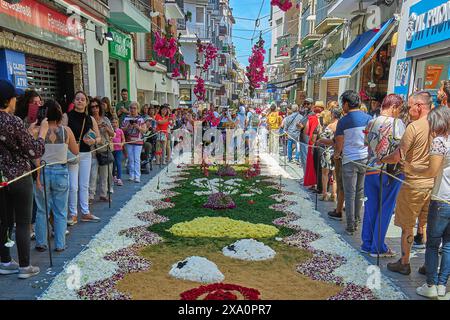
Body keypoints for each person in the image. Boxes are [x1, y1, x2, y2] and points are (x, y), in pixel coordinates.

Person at [402, 107, 450, 299]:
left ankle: (431, 284)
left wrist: (412, 169)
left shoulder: (440, 141)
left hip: (441, 198)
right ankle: (442, 286)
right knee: (448, 245)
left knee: (432, 244)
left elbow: (432, 171)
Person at [383, 92, 433, 275]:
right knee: (427, 224)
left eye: (411, 105)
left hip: (413, 183)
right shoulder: (440, 126)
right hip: (432, 184)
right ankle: (429, 262)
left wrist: (381, 160)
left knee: (407, 225)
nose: (408, 109)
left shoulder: (414, 127)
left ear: (419, 106)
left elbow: (398, 156)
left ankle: (404, 262)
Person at [0, 79, 47, 279]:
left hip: (1, 179)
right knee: (22, 221)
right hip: (19, 177)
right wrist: (42, 134)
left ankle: (5, 261)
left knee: (4, 222)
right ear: (8, 100)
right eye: (14, 98)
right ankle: (25, 266)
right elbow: (34, 150)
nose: (16, 101)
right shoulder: (14, 121)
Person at [361, 94, 406, 258]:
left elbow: (366, 143)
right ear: (394, 107)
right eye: (400, 109)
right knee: (385, 208)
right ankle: (377, 246)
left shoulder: (372, 121)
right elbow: (400, 150)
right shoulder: (397, 123)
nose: (400, 113)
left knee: (371, 207)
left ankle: (367, 243)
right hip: (389, 171)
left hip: (371, 168)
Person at [34, 100, 78, 253]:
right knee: (60, 211)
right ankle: (60, 244)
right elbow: (76, 151)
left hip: (43, 171)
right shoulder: (66, 131)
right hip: (60, 171)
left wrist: (37, 176)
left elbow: (35, 154)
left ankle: (41, 242)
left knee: (41, 209)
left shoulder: (39, 131)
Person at [334, 90, 372, 235]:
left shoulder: (343, 121)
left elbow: (339, 143)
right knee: (359, 192)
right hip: (364, 159)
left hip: (349, 159)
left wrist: (337, 155)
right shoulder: (368, 118)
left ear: (346, 104)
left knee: (349, 193)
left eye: (342, 103)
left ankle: (350, 225)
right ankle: (357, 219)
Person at [66, 91, 102, 225]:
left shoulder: (90, 119)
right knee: (73, 186)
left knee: (84, 185)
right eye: (77, 99)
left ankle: (85, 212)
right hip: (72, 154)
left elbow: (98, 137)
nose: (80, 101)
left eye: (82, 99)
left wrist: (94, 141)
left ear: (86, 102)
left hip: (86, 153)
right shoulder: (67, 116)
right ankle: (73, 214)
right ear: (74, 101)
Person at [88, 98, 115, 203]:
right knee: (93, 175)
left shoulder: (106, 119)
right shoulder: (88, 120)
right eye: (92, 107)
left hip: (104, 149)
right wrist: (95, 130)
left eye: (96, 106)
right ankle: (91, 196)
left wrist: (106, 128)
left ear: (100, 107)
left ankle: (103, 194)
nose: (95, 109)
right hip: (93, 150)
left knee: (105, 174)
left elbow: (113, 134)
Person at [317, 107, 341, 201]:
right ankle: (334, 194)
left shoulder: (330, 126)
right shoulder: (341, 125)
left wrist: (320, 140)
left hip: (328, 152)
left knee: (325, 174)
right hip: (337, 152)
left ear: (333, 115)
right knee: (335, 176)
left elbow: (323, 139)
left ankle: (324, 194)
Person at [122, 102, 147, 183]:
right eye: (131, 108)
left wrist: (138, 127)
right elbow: (121, 130)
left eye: (134, 108)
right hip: (129, 141)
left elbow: (144, 131)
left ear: (138, 109)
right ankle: (131, 175)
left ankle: (137, 176)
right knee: (130, 159)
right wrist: (127, 127)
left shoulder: (141, 119)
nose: (132, 110)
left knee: (136, 159)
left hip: (138, 141)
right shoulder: (126, 118)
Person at [303, 102, 322, 189]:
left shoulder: (311, 118)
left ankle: (314, 183)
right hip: (321, 144)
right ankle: (317, 184)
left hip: (313, 144)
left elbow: (306, 131)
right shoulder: (325, 118)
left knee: (313, 165)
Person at [298, 98, 314, 173]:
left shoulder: (311, 114)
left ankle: (306, 178)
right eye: (305, 104)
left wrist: (301, 126)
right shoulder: (305, 113)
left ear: (312, 105)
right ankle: (305, 177)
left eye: (308, 104)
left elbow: (305, 126)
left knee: (305, 160)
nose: (306, 105)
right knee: (304, 160)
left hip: (307, 140)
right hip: (302, 139)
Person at [111, 117, 125, 186]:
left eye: (116, 122)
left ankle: (119, 178)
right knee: (113, 164)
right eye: (113, 122)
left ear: (118, 123)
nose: (114, 124)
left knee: (118, 163)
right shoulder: (110, 131)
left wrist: (122, 143)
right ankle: (114, 176)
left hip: (118, 149)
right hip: (112, 149)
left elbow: (123, 139)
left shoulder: (120, 131)